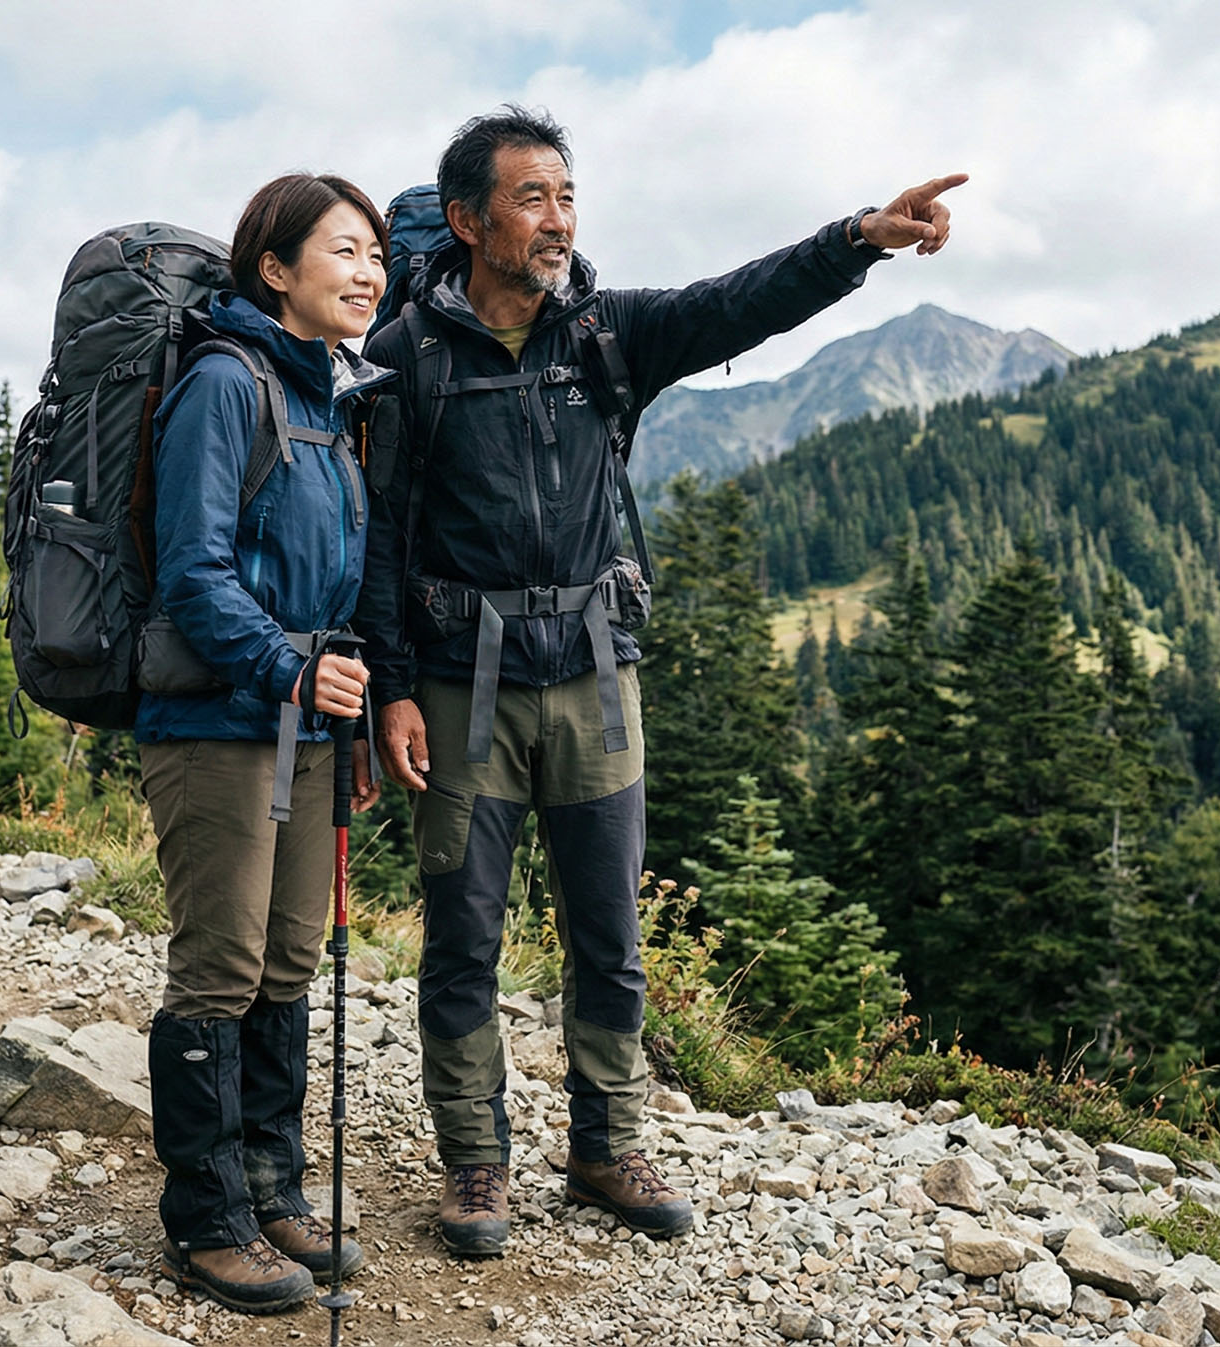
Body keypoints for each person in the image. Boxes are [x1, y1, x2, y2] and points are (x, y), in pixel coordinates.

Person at [353, 105, 965, 1256]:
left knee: (608, 933)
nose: (556, 219)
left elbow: (737, 301)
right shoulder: (405, 360)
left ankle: (603, 1143)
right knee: (462, 935)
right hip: (456, 683)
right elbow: (378, 538)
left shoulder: (606, 332)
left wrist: (857, 240)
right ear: (469, 219)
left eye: (567, 196)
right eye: (530, 197)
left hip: (592, 675)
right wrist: (390, 685)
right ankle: (474, 1165)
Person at [137, 172, 391, 1314]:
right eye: (342, 250)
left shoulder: (330, 402)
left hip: (302, 724)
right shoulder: (223, 384)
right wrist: (289, 665)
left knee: (290, 958)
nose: (368, 270)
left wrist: (343, 700)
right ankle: (206, 1219)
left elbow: (330, 581)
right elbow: (189, 570)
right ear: (274, 269)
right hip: (216, 721)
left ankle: (271, 1187)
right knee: (220, 966)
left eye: (376, 252)